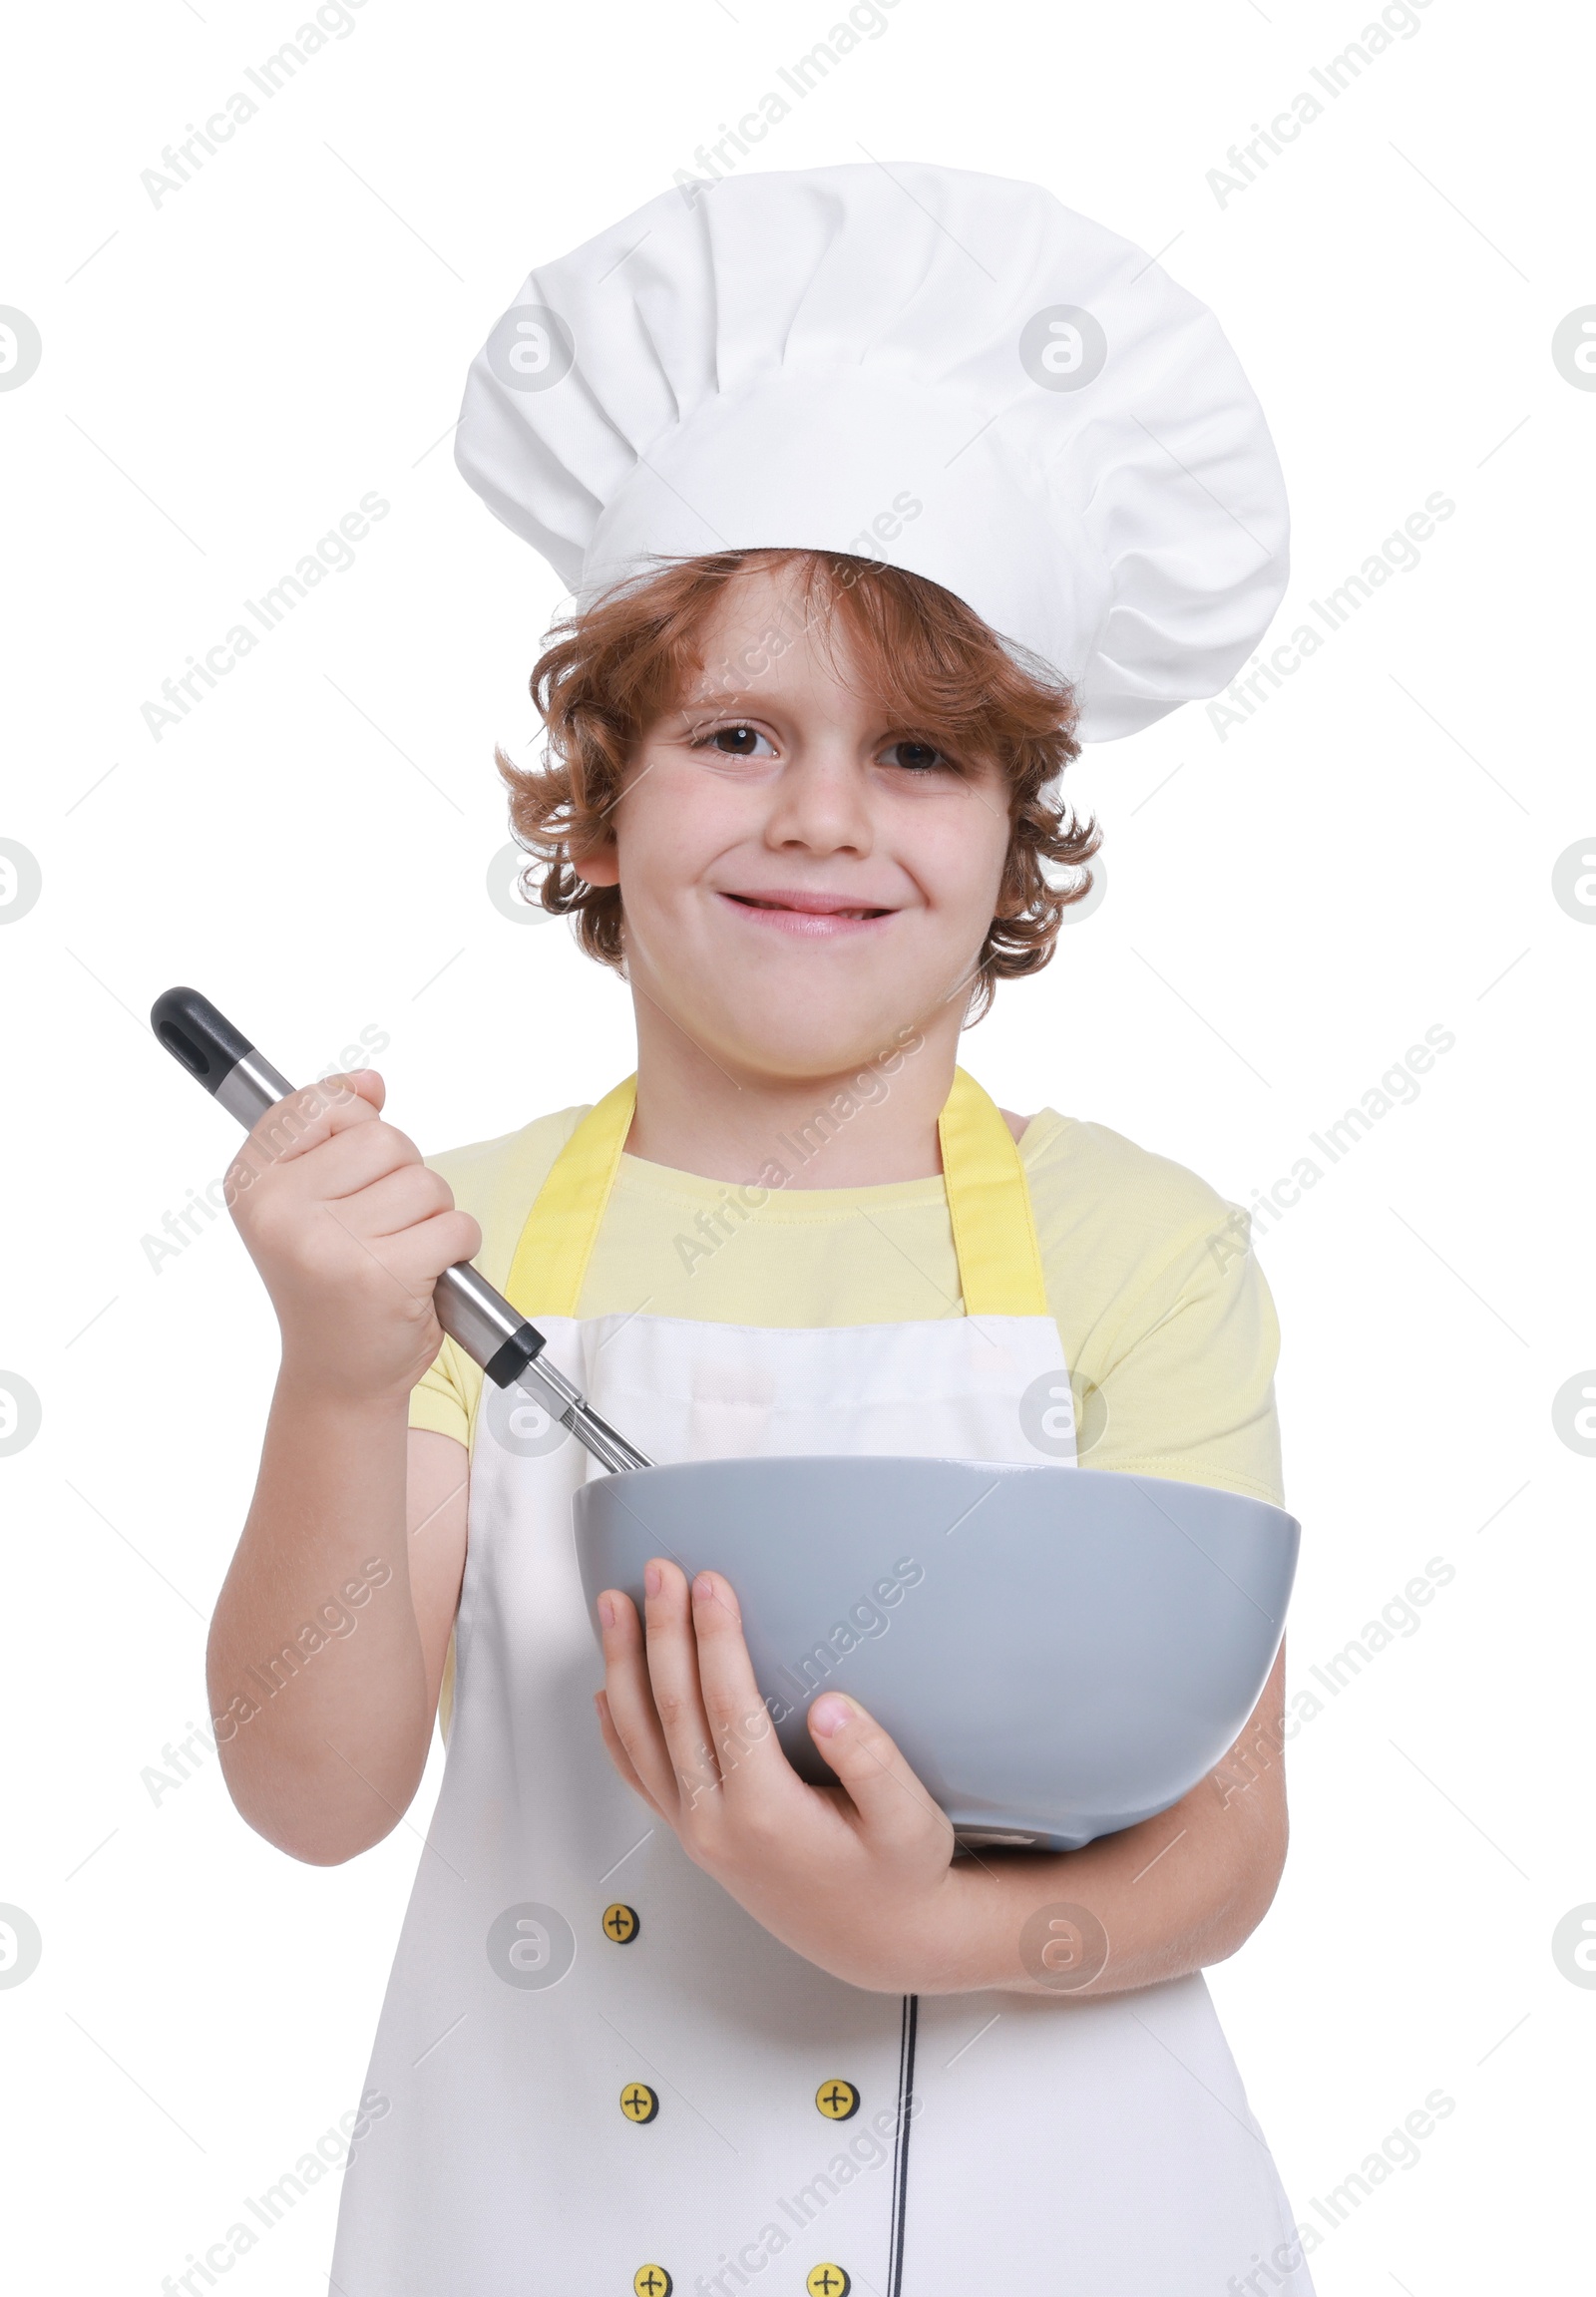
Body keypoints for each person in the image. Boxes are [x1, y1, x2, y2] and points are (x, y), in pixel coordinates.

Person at [208, 164, 1315, 2292]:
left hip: (1066, 2224)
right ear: (601, 800)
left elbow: (1229, 1841)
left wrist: (927, 1934)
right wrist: (339, 1374)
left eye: (914, 754)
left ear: (1010, 847)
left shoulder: (1135, 1249)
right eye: (735, 734)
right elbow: (311, 1790)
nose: (820, 814)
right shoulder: (470, 1232)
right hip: (539, 2218)